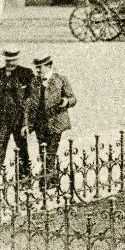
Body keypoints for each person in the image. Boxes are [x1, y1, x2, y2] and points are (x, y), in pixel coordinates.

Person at [0, 49, 37, 182]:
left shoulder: (26, 73)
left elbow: (31, 99)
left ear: (18, 59)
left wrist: (27, 122)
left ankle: (25, 177)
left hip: (19, 120)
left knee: (22, 150)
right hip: (2, 119)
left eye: (14, 60)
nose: (11, 63)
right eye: (8, 60)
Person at [30, 55, 76, 190]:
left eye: (40, 67)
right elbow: (30, 103)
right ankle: (52, 178)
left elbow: (72, 98)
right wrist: (28, 123)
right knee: (43, 150)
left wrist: (66, 102)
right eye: (36, 67)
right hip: (40, 123)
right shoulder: (34, 81)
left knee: (51, 149)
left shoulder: (61, 79)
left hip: (56, 122)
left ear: (49, 66)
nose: (38, 70)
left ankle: (46, 180)